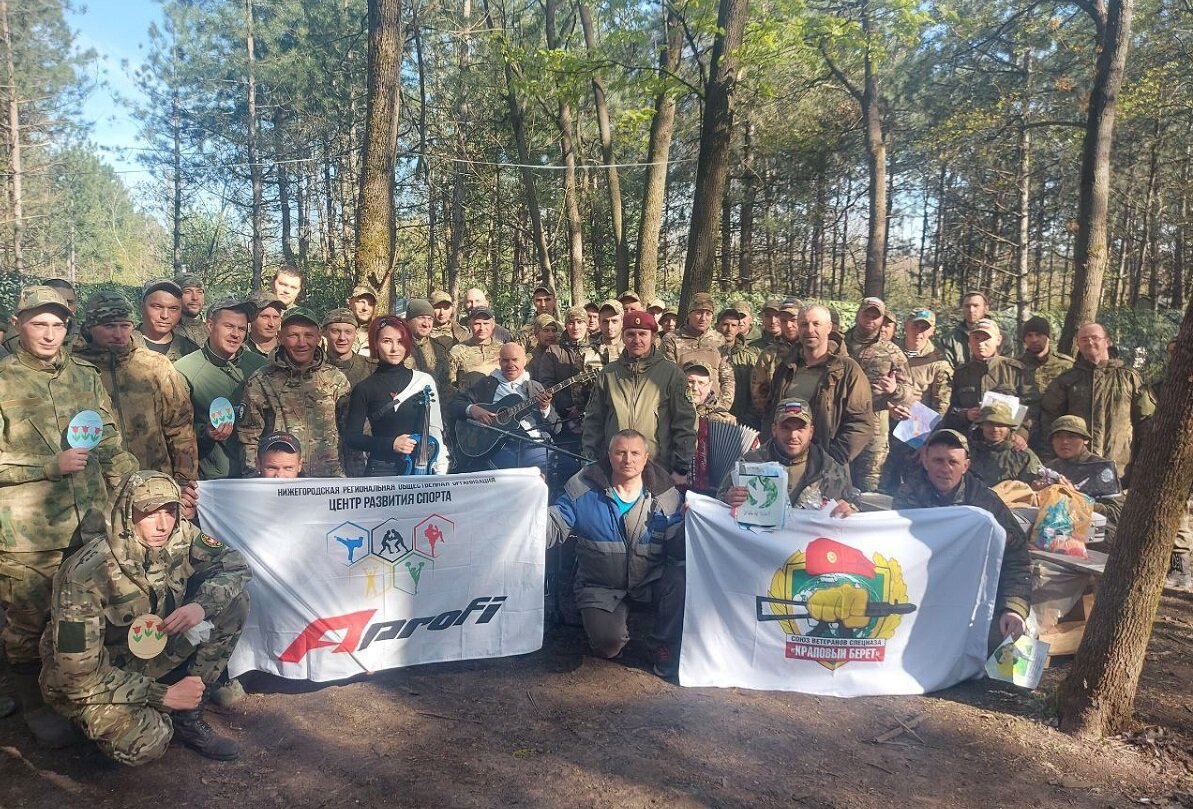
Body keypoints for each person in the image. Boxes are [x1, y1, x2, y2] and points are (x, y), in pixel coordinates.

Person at [0, 285, 140, 746]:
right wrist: (46, 466)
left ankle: (74, 695)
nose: (49, 333)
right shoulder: (3, 379)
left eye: (58, 325)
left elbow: (111, 439)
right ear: (19, 324)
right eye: (39, 323)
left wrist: (136, 491)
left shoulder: (84, 375)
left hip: (89, 522)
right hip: (28, 533)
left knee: (80, 617)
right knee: (29, 621)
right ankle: (34, 704)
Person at [40, 471, 250, 764]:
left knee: (234, 602)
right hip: (97, 675)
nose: (163, 524)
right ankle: (88, 720)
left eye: (170, 511)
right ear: (128, 513)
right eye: (150, 513)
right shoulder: (86, 575)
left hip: (152, 649)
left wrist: (201, 605)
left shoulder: (181, 535)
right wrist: (161, 694)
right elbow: (77, 678)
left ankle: (189, 712)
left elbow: (236, 565)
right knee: (148, 739)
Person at [547, 429, 685, 677]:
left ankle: (662, 645)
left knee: (681, 579)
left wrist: (689, 523)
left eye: (635, 453)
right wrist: (531, 504)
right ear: (609, 455)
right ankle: (609, 623)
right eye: (620, 452)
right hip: (599, 586)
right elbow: (554, 527)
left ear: (646, 458)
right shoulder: (581, 488)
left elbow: (679, 547)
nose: (627, 460)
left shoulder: (667, 495)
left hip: (649, 581)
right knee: (607, 647)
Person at [893, 429, 1031, 647]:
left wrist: (1013, 607)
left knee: (1007, 639)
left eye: (953, 462)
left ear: (965, 466)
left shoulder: (986, 503)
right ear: (926, 462)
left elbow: (1016, 558)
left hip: (972, 597)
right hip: (922, 594)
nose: (945, 469)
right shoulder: (908, 498)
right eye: (938, 461)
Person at [76, 291, 198, 482]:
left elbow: (181, 429)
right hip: (96, 488)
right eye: (109, 326)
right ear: (90, 327)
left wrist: (185, 481)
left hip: (154, 485)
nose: (118, 334)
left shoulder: (155, 365)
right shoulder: (74, 369)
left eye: (125, 326)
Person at [583, 311, 696, 482]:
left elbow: (685, 423)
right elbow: (594, 421)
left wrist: (681, 468)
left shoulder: (672, 375)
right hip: (614, 467)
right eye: (630, 334)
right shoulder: (608, 374)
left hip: (658, 468)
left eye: (643, 334)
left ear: (653, 336)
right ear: (622, 336)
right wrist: (589, 460)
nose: (636, 340)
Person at [238, 307, 351, 478]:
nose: (301, 343)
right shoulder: (262, 380)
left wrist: (357, 478)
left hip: (329, 482)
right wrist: (254, 481)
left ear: (319, 337)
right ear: (280, 338)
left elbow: (351, 433)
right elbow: (249, 437)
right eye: (293, 335)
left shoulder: (335, 379)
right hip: (280, 483)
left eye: (308, 335)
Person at [1040, 322, 1154, 479]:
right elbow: (1049, 419)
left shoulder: (1129, 377)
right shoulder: (1067, 380)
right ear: (1078, 344)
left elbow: (1147, 422)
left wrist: (1144, 461)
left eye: (1095, 338)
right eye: (1084, 339)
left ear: (1107, 341)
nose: (1090, 342)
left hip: (1121, 468)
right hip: (1075, 470)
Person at [766, 303, 874, 466]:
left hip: (826, 466)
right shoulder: (786, 367)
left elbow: (861, 424)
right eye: (804, 324)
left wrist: (831, 460)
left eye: (816, 324)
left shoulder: (847, 370)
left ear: (829, 327)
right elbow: (770, 413)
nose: (809, 330)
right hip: (781, 463)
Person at [343, 316, 449, 476]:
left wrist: (440, 466)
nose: (394, 349)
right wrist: (391, 443)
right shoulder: (364, 388)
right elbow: (352, 438)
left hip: (420, 467)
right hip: (381, 469)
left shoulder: (424, 381)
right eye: (386, 341)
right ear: (376, 344)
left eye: (400, 342)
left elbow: (434, 429)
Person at [174, 297, 266, 480]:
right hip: (215, 480)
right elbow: (175, 430)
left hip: (260, 476)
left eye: (241, 328)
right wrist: (205, 432)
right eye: (228, 326)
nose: (235, 334)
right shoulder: (184, 370)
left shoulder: (260, 366)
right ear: (209, 326)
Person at [719, 398, 857, 515]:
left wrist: (849, 510)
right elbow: (717, 505)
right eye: (786, 428)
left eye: (800, 429)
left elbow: (855, 513)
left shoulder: (831, 470)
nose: (793, 436)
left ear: (811, 432)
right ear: (774, 429)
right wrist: (728, 499)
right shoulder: (749, 464)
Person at [842, 297, 915, 492]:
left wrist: (894, 391)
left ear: (882, 320)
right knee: (838, 472)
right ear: (859, 314)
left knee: (871, 480)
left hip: (874, 420)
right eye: (867, 313)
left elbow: (908, 391)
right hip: (840, 418)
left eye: (876, 316)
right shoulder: (839, 344)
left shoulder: (891, 351)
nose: (870, 319)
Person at [452, 342, 558, 474]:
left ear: (524, 361)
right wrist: (473, 410)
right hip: (499, 446)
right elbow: (456, 405)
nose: (510, 365)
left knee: (561, 466)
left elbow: (556, 428)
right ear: (499, 362)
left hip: (534, 443)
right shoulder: (487, 384)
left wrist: (545, 408)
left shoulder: (535, 387)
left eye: (515, 360)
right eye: (505, 360)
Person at [884, 307, 952, 491]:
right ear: (906, 326)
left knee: (911, 490)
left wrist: (928, 444)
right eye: (915, 326)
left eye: (924, 327)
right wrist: (887, 406)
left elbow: (941, 408)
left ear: (932, 331)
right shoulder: (887, 351)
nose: (919, 332)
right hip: (883, 424)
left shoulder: (939, 363)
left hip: (917, 431)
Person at [1034, 415, 1123, 544]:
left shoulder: (1101, 468)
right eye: (1058, 436)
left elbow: (1116, 515)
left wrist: (1076, 498)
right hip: (1052, 536)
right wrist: (1038, 494)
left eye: (1071, 436)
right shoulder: (1049, 468)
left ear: (1085, 440)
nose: (1064, 442)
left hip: (1095, 540)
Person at [942, 318, 1029, 442]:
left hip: (1007, 442)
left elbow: (1029, 406)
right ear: (969, 342)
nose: (980, 344)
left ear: (998, 340)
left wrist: (1021, 434)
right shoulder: (960, 374)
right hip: (970, 442)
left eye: (986, 339)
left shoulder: (1015, 370)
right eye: (976, 338)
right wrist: (965, 414)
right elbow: (949, 409)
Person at [662, 292, 734, 408]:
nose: (703, 318)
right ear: (689, 314)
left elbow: (727, 378)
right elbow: (669, 378)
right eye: (699, 313)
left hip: (714, 409)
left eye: (708, 314)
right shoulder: (672, 339)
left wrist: (722, 406)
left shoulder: (719, 340)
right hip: (683, 407)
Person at [1018, 316, 1073, 453]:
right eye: (1029, 335)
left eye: (1039, 335)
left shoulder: (1066, 366)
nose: (1034, 339)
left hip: (1058, 438)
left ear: (1048, 337)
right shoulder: (1015, 366)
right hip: (1024, 439)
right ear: (1024, 339)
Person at [969, 401, 1043, 486]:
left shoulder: (1023, 456)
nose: (995, 429)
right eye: (990, 424)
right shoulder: (970, 453)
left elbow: (1037, 487)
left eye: (1000, 424)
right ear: (981, 425)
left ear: (1009, 428)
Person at [750, 299, 801, 419]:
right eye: (783, 320)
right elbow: (758, 392)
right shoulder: (769, 353)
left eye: (793, 320)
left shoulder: (811, 351)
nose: (788, 325)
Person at [136, 278, 199, 362]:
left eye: (173, 308)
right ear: (142, 307)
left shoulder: (190, 351)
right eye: (157, 307)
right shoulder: (121, 345)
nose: (165, 315)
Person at [718, 306, 760, 427]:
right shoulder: (709, 353)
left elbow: (757, 393)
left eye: (734, 325)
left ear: (738, 329)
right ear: (717, 326)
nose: (729, 329)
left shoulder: (749, 357)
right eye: (725, 324)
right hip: (713, 419)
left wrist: (747, 419)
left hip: (742, 422)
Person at [405, 298, 453, 400]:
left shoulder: (439, 349)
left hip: (434, 407)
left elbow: (446, 386)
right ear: (408, 321)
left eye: (430, 319)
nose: (426, 323)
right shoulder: (398, 347)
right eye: (421, 318)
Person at [448, 306, 503, 390]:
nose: (482, 328)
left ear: (493, 324)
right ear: (470, 324)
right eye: (477, 324)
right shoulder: (457, 351)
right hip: (468, 400)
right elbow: (448, 385)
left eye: (486, 323)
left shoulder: (503, 350)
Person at [322, 307, 375, 387]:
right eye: (335, 331)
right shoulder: (312, 368)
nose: (342, 338)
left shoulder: (372, 368)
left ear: (356, 333)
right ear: (323, 332)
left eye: (348, 332)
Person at [942, 291, 993, 368]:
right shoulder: (949, 339)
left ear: (986, 309)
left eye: (976, 306)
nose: (971, 310)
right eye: (967, 306)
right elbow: (946, 370)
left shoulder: (1000, 337)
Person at [246, 290, 285, 357]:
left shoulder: (290, 350)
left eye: (275, 317)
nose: (271, 324)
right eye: (265, 317)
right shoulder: (238, 351)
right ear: (250, 318)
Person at [176, 273, 208, 346]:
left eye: (199, 292)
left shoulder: (213, 330)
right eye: (188, 292)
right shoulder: (165, 329)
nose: (195, 298)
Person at [526, 313, 560, 380]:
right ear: (537, 334)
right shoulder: (529, 360)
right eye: (546, 330)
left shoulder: (561, 356)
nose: (551, 335)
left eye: (554, 330)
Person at [346, 285, 377, 355]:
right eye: (361, 302)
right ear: (350, 302)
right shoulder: (336, 329)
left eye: (371, 304)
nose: (365, 308)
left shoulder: (380, 333)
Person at [595, 299, 624, 364]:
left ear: (622, 322)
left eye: (614, 321)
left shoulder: (631, 348)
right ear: (599, 322)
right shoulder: (585, 349)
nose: (610, 326)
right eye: (605, 321)